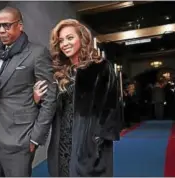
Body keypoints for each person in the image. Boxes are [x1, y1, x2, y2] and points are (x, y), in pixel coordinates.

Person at [33, 19, 121, 177]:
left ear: (82, 38)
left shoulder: (100, 68)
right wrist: (38, 100)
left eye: (70, 38)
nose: (65, 43)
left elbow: (110, 109)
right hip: (62, 142)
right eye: (61, 40)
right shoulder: (60, 73)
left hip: (89, 144)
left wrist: (97, 141)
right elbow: (53, 109)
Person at [0, 7, 57, 177]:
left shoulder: (37, 53)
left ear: (20, 26)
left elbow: (50, 98)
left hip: (19, 138)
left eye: (6, 25)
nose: (1, 30)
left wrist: (35, 138)